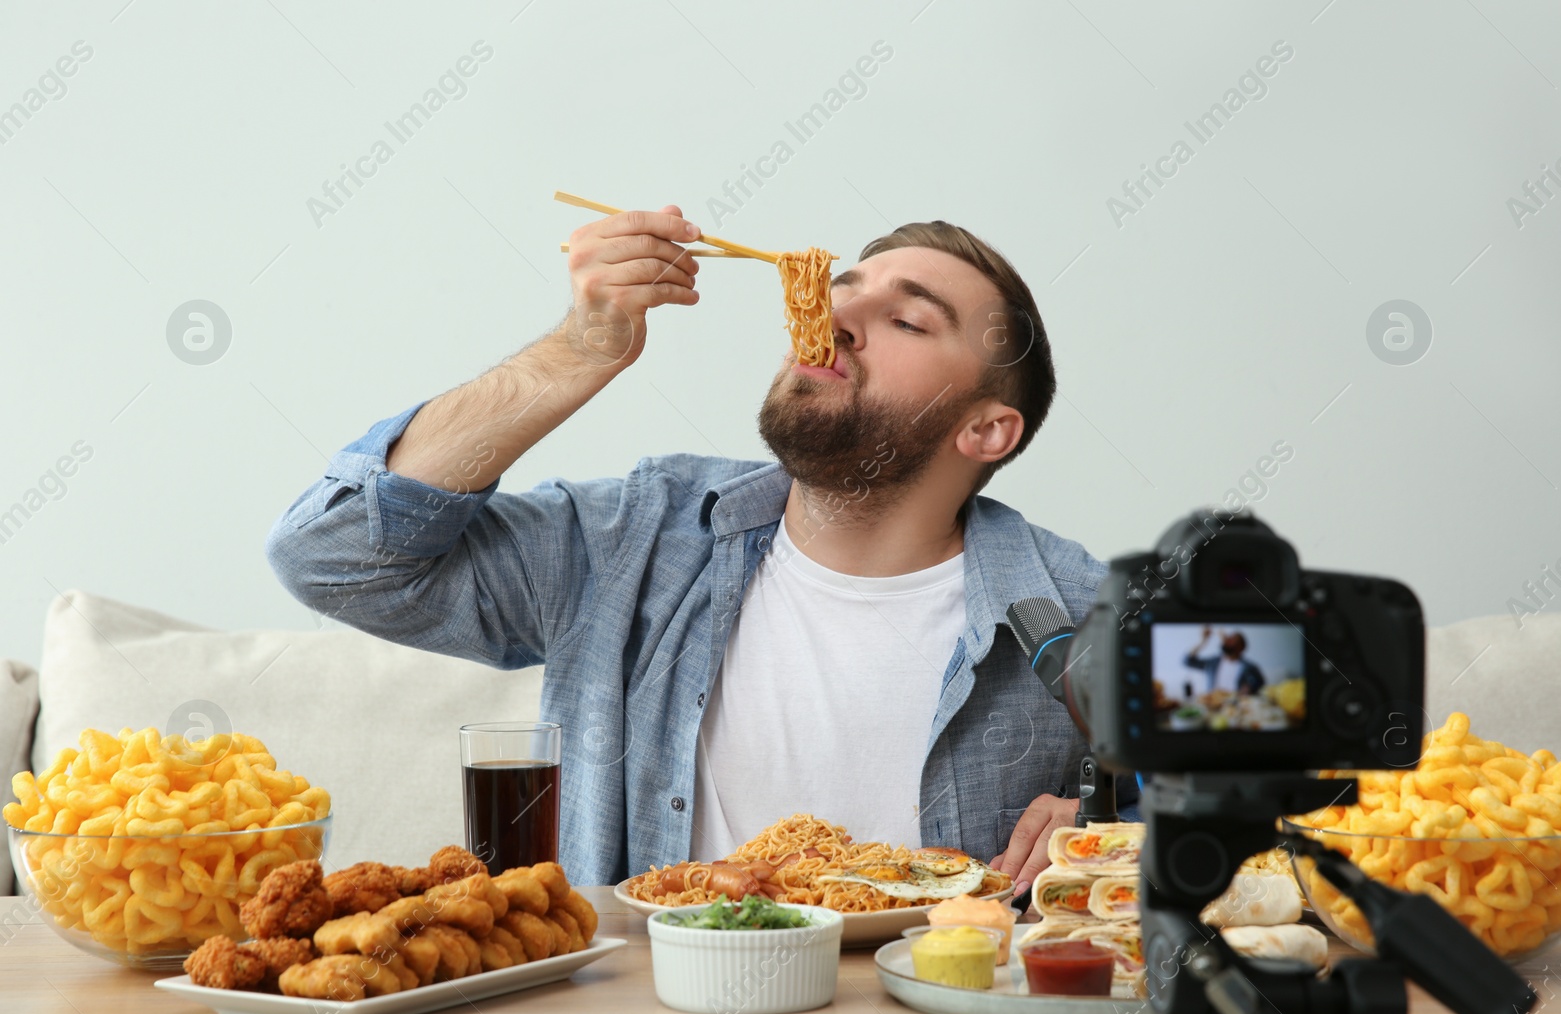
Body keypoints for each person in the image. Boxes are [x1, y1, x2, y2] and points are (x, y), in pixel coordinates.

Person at [265, 204, 1115, 895]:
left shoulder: (1083, 610)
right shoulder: (636, 541)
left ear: (985, 428)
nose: (835, 319)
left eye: (905, 320)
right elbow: (332, 557)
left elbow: (1235, 807)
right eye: (838, 289)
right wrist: (574, 354)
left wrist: (1120, 828)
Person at [1184, 625, 1265, 695]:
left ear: (1241, 647)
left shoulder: (1249, 666)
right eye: (1229, 638)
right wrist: (1203, 641)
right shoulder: (1212, 662)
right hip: (1212, 704)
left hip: (1236, 707)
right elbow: (1187, 661)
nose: (1228, 640)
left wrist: (1249, 688)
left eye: (1233, 640)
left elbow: (1261, 684)